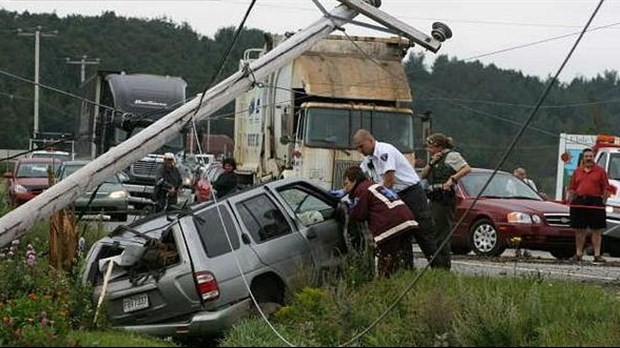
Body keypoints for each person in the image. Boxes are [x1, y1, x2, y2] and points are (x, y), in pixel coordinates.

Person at [353, 129, 439, 269]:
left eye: (362, 146)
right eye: (357, 148)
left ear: (370, 140)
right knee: (401, 232)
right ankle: (407, 269)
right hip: (395, 195)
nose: (360, 150)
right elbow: (367, 182)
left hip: (410, 193)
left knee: (422, 231)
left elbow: (389, 181)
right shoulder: (367, 161)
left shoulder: (385, 151)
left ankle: (439, 267)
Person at [343, 166, 418, 277]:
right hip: (407, 221)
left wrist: (349, 208)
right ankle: (406, 278)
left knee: (387, 261)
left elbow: (360, 214)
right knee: (403, 258)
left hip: (390, 225)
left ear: (354, 180)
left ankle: (386, 285)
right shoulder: (374, 186)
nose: (345, 188)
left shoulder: (361, 190)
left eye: (346, 183)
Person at [420, 133, 471, 270]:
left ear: (438, 146)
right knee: (433, 231)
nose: (428, 149)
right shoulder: (435, 159)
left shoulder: (452, 156)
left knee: (441, 233)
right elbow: (422, 175)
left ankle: (443, 266)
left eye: (430, 147)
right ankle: (437, 264)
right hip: (433, 198)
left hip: (444, 199)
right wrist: (431, 163)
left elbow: (466, 168)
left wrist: (452, 180)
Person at [567, 148, 610, 263]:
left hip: (595, 202)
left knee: (596, 230)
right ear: (583, 158)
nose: (589, 158)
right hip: (580, 201)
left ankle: (597, 255)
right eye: (586, 156)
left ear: (593, 157)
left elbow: (606, 188)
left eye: (591, 156)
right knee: (579, 230)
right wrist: (571, 200)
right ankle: (578, 253)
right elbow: (572, 188)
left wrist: (603, 202)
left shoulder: (600, 171)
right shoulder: (577, 171)